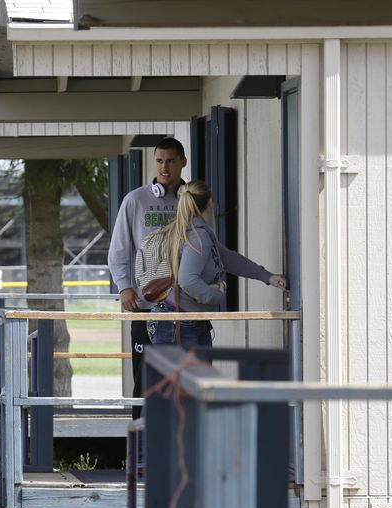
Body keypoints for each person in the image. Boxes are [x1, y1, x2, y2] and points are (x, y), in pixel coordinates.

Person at [146, 180, 288, 348]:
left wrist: (267, 276)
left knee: (191, 375)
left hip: (179, 320)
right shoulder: (199, 237)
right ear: (210, 203)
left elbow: (228, 258)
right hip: (180, 323)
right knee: (192, 375)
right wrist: (217, 295)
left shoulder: (187, 231)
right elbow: (187, 280)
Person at [108, 137, 185, 416]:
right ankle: (141, 452)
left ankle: (182, 452)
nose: (165, 167)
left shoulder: (194, 200)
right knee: (145, 380)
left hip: (185, 308)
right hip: (144, 305)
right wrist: (124, 287)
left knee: (183, 381)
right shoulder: (135, 200)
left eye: (171, 161)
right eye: (160, 160)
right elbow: (118, 249)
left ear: (182, 163)